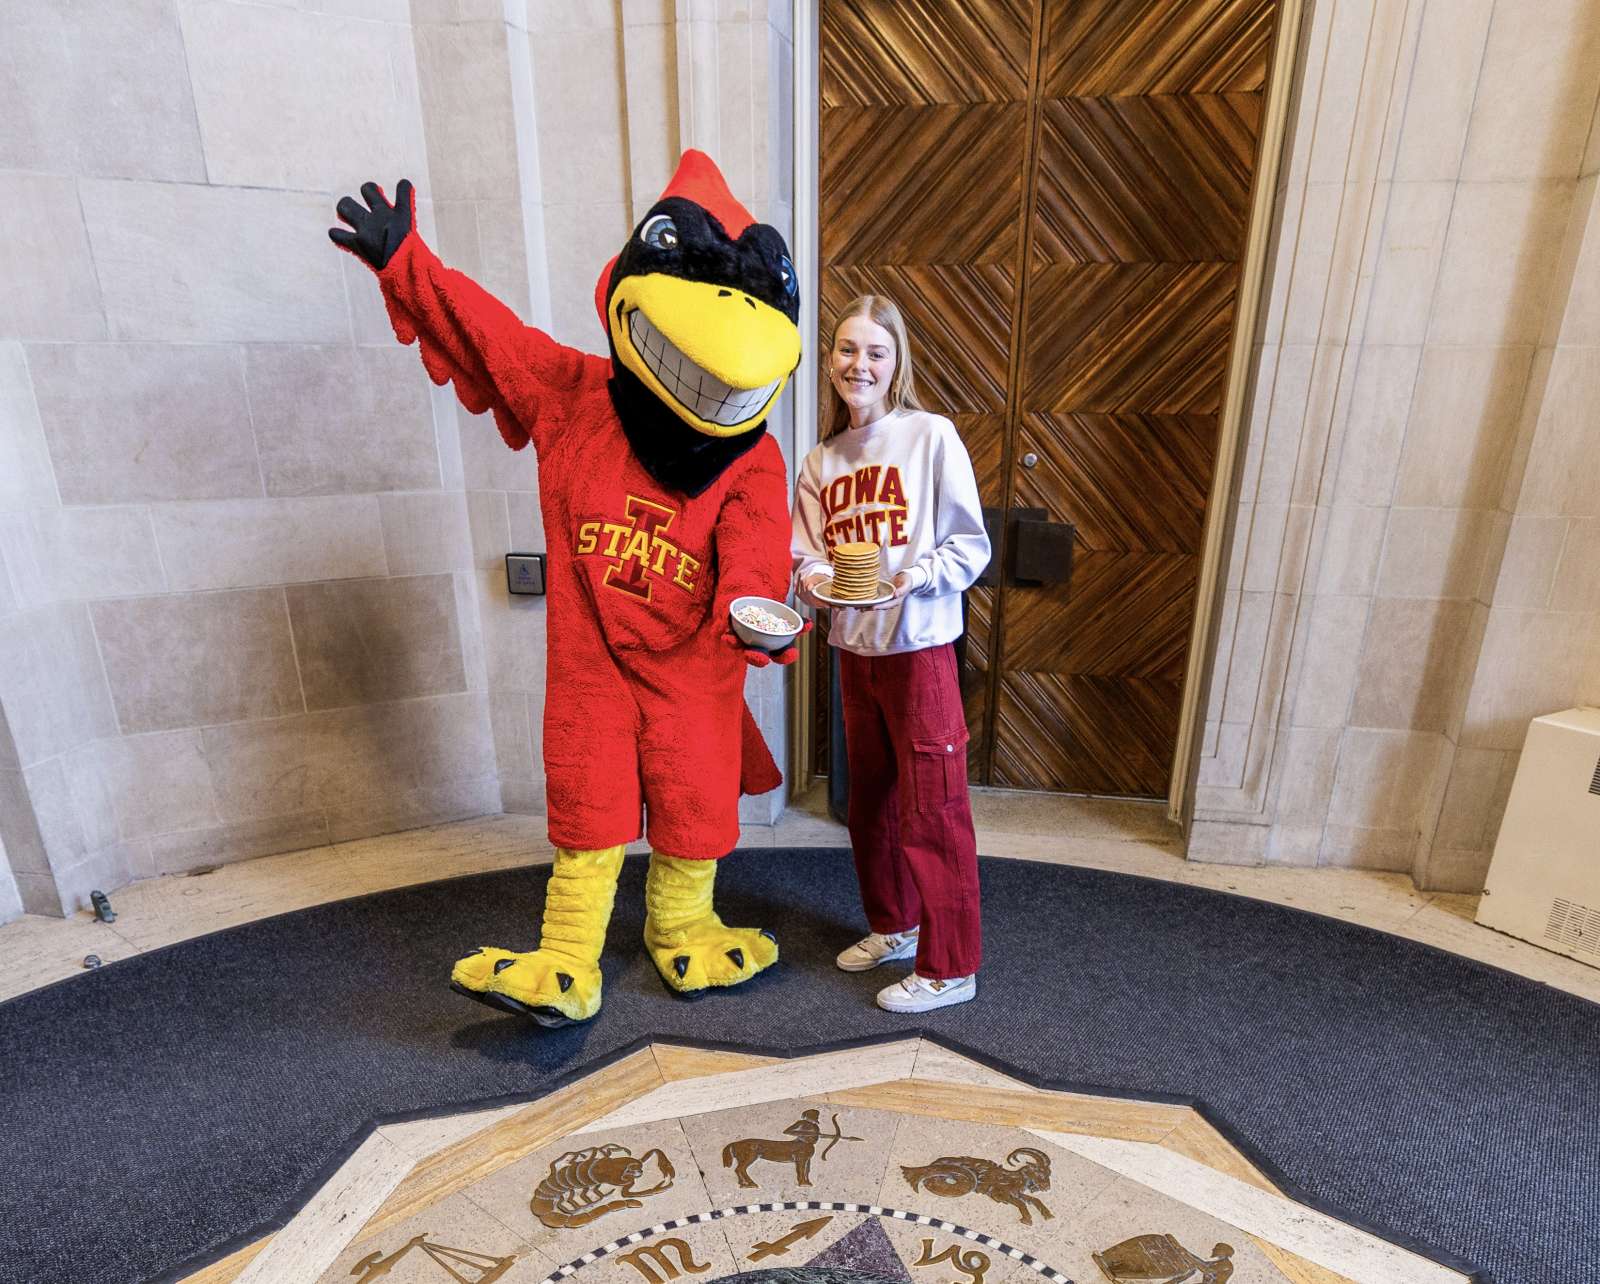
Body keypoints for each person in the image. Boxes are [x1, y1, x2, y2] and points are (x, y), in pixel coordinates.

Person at [791, 295, 991, 1013]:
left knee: (933, 807)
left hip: (922, 649)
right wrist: (817, 585)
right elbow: (803, 556)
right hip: (854, 651)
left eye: (875, 352)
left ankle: (950, 966)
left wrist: (914, 577)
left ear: (897, 361)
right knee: (870, 804)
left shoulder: (930, 436)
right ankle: (894, 926)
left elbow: (970, 543)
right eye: (847, 350)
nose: (859, 364)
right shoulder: (822, 460)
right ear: (832, 362)